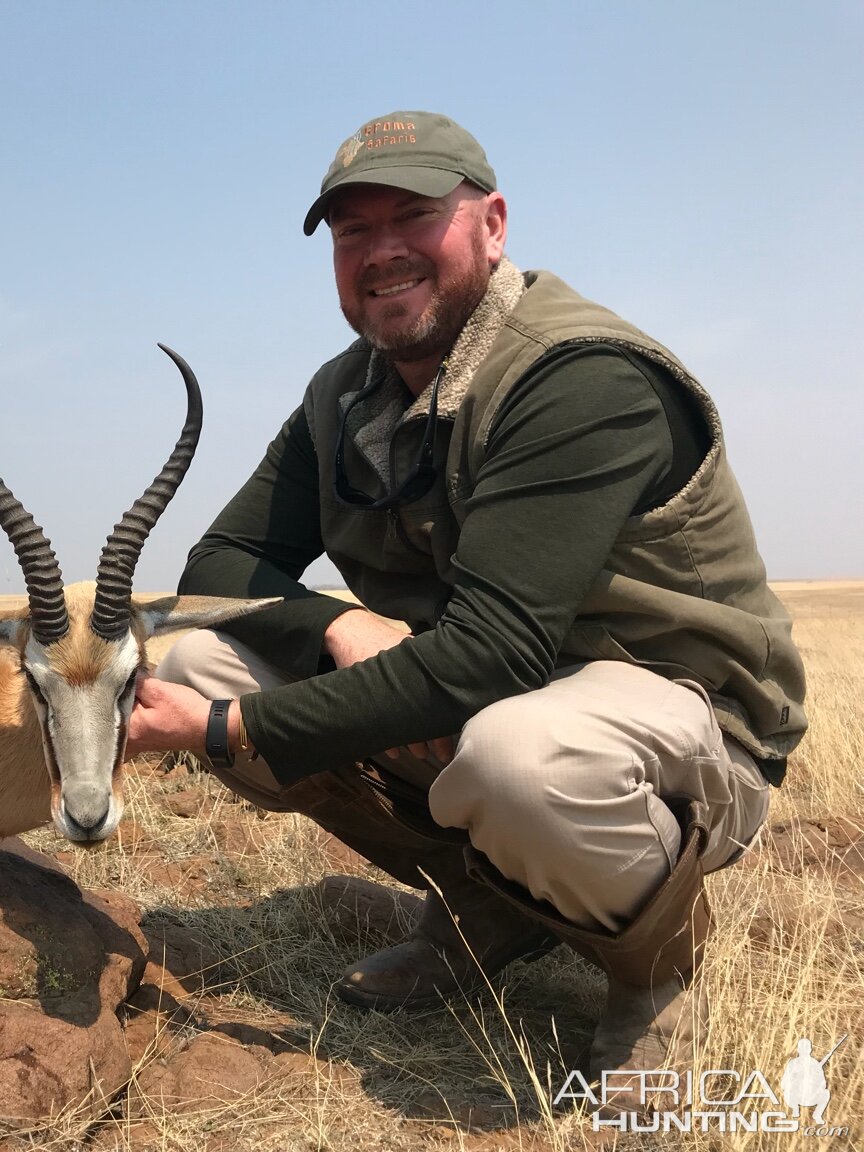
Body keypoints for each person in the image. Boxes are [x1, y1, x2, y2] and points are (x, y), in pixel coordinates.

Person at [126, 110, 806, 1107]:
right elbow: (221, 565)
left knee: (520, 757)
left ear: (491, 223)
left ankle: (654, 974)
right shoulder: (345, 395)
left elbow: (487, 658)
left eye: (414, 216)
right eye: (353, 232)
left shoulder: (578, 378)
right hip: (491, 688)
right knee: (196, 659)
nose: (382, 251)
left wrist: (233, 730)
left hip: (680, 726)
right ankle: (491, 908)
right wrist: (335, 625)